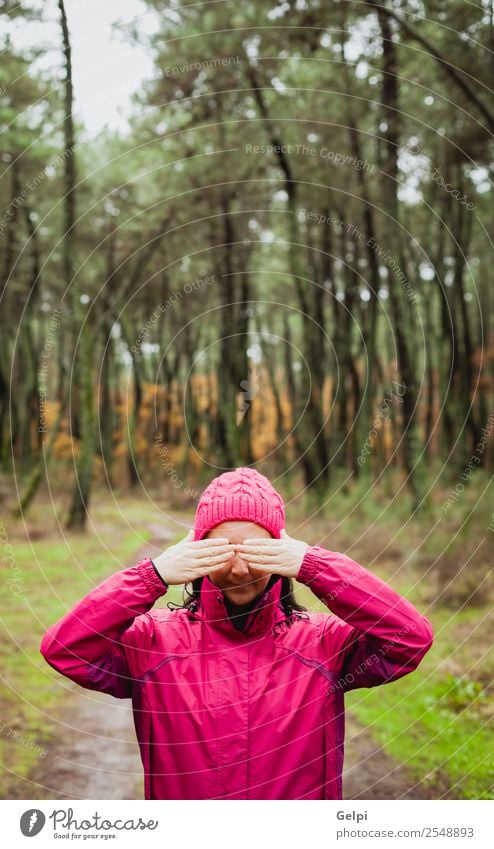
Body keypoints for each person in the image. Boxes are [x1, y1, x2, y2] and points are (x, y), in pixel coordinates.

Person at [40, 467, 434, 800]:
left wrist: (316, 565)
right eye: (223, 551)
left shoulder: (323, 643)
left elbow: (410, 638)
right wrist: (151, 577)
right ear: (196, 552)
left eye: (257, 552)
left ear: (282, 553)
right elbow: (65, 650)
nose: (240, 570)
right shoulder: (153, 642)